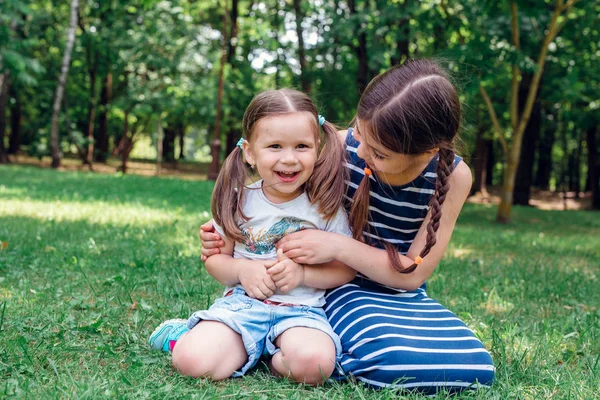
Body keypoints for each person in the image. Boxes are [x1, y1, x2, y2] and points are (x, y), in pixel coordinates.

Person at [200, 59, 496, 394]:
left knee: (470, 369)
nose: (361, 150)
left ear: (428, 151)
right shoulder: (341, 146)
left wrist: (337, 246)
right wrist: (229, 236)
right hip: (334, 286)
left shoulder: (453, 176)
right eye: (359, 131)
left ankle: (296, 356)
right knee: (392, 361)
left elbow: (413, 274)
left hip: (396, 288)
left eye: (379, 153)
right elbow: (275, 191)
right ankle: (278, 348)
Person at [148, 89, 356, 385]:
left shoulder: (326, 207)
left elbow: (345, 269)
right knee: (191, 361)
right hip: (242, 307)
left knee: (316, 367)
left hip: (301, 312)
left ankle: (266, 355)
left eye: (301, 146)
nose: (289, 159)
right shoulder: (239, 200)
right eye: (274, 146)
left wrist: (303, 275)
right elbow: (214, 260)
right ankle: (185, 334)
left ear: (317, 148)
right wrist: (242, 270)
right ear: (249, 152)